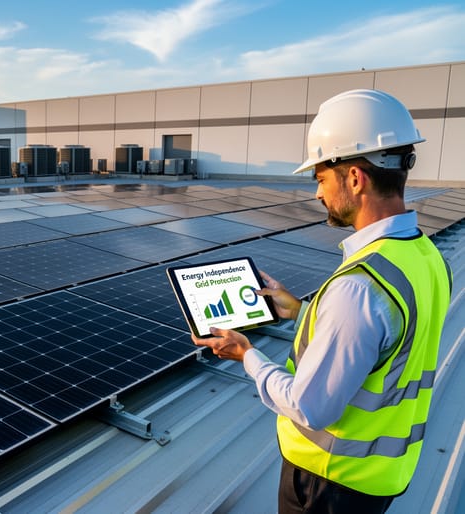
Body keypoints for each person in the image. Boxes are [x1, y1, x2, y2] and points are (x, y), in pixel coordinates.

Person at [192, 89, 452, 513]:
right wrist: (298, 310)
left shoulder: (358, 287)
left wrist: (247, 355)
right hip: (381, 474)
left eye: (320, 178)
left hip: (329, 483)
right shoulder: (423, 257)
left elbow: (309, 406)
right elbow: (381, 338)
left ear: (354, 177)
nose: (317, 194)